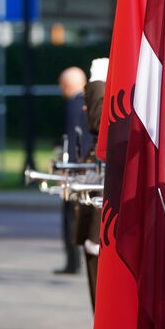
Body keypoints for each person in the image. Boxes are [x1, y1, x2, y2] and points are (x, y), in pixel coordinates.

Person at [73, 58, 107, 309]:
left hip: (100, 225)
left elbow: (99, 122)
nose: (87, 107)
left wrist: (99, 80)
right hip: (93, 223)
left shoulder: (103, 128)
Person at [56, 66, 93, 275]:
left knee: (70, 216)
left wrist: (65, 168)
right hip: (90, 165)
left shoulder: (73, 104)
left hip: (76, 167)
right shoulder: (90, 102)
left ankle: (72, 261)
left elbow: (71, 137)